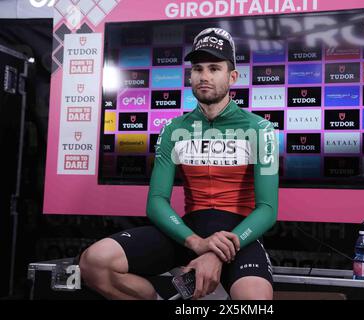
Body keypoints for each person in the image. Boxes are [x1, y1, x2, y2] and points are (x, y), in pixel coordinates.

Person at [79, 27, 279, 300]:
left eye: (214, 68)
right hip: (188, 233)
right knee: (95, 262)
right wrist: (197, 243)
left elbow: (267, 209)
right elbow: (157, 201)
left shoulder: (260, 129)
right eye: (198, 68)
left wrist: (218, 251)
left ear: (232, 76)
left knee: (255, 300)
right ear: (190, 75)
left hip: (237, 236)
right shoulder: (173, 128)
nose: (204, 76)